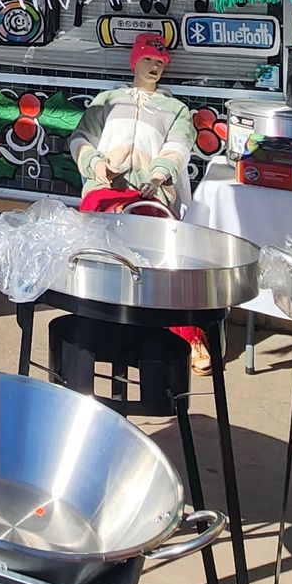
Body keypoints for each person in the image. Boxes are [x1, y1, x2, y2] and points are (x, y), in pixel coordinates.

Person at [67, 34, 212, 372]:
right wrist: (97, 165)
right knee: (97, 253)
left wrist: (159, 176)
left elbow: (177, 148)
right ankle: (98, 328)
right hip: (105, 190)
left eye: (161, 62)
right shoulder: (107, 100)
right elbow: (79, 138)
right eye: (149, 60)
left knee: (158, 265)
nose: (155, 66)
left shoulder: (176, 109)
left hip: (151, 195)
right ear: (134, 62)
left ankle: (189, 336)